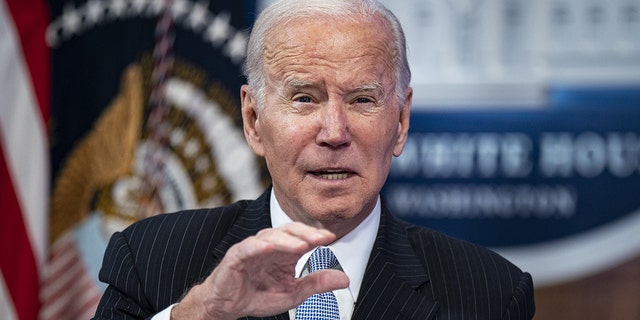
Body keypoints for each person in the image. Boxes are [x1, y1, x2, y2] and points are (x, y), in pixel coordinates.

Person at [93, 0, 535, 319]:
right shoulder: (150, 259)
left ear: (400, 122)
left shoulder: (490, 294)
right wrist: (200, 314)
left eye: (363, 100)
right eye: (305, 98)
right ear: (253, 121)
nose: (335, 133)